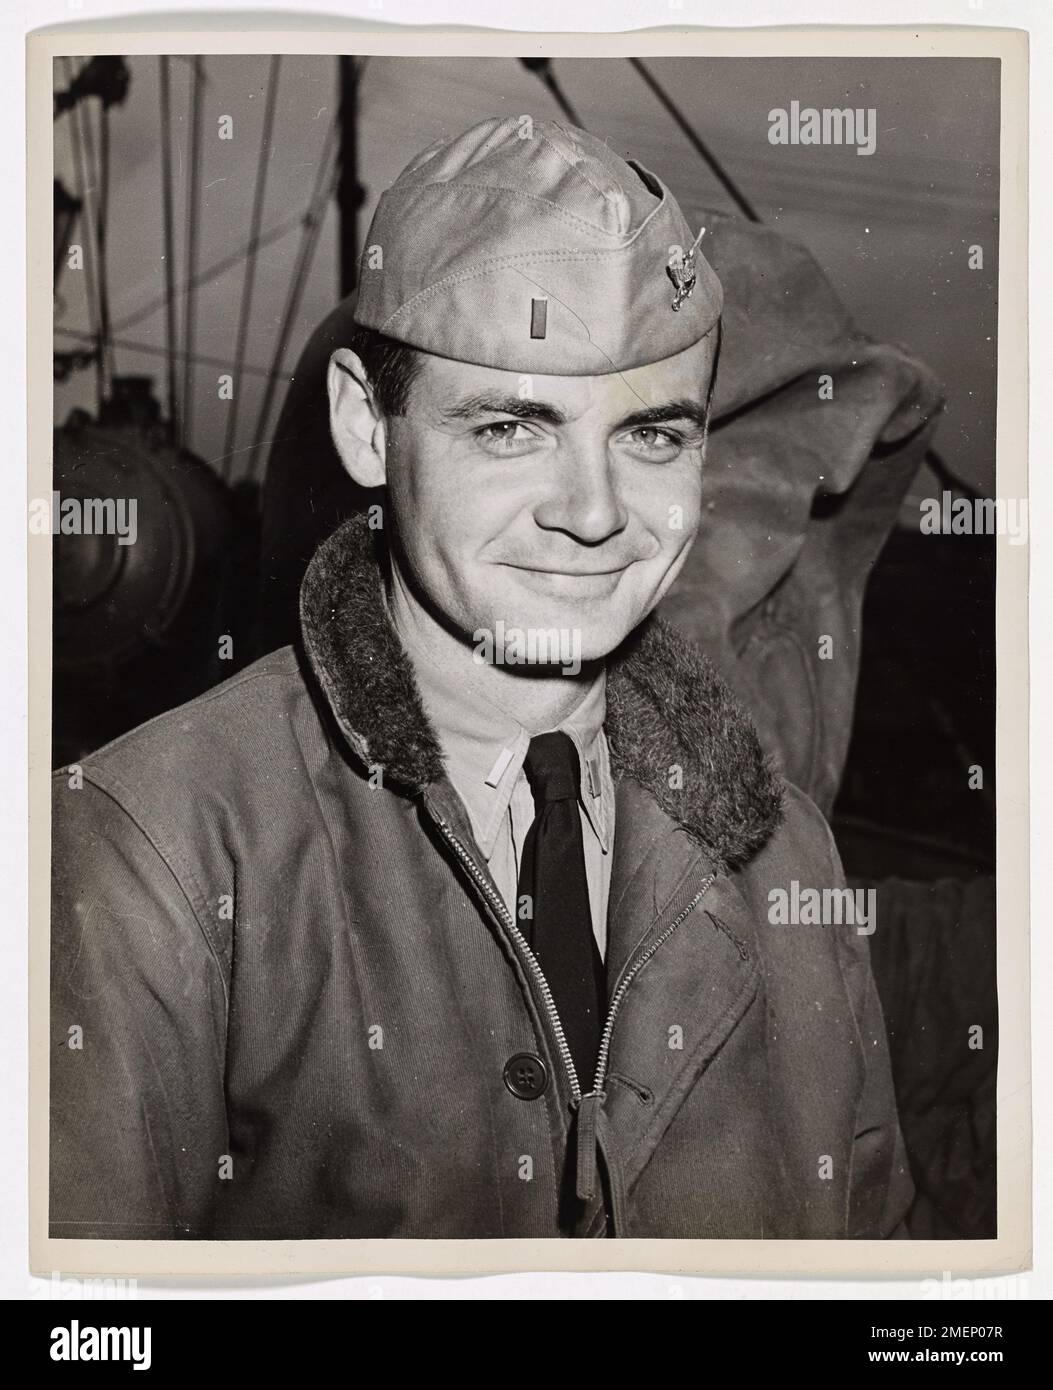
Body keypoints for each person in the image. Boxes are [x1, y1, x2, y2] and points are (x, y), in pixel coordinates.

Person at [50, 116, 913, 1240]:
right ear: (368, 424)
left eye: (653, 437)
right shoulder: (152, 850)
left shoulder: (782, 849)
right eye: (513, 428)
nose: (595, 513)